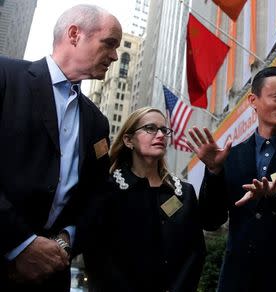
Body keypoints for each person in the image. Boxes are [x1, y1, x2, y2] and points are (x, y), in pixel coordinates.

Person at [0, 4, 122, 291]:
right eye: (109, 43)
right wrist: (22, 244)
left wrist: (65, 240)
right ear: (74, 34)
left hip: (52, 273)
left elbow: (97, 195)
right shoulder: (6, 77)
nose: (115, 56)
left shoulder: (97, 122)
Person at [188, 66, 276, 291]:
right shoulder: (231, 156)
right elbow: (210, 219)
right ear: (253, 100)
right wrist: (214, 171)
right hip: (239, 280)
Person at [81, 107, 206, 292]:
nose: (160, 135)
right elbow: (96, 255)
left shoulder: (184, 193)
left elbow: (195, 253)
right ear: (128, 140)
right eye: (150, 128)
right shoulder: (107, 189)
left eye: (164, 130)